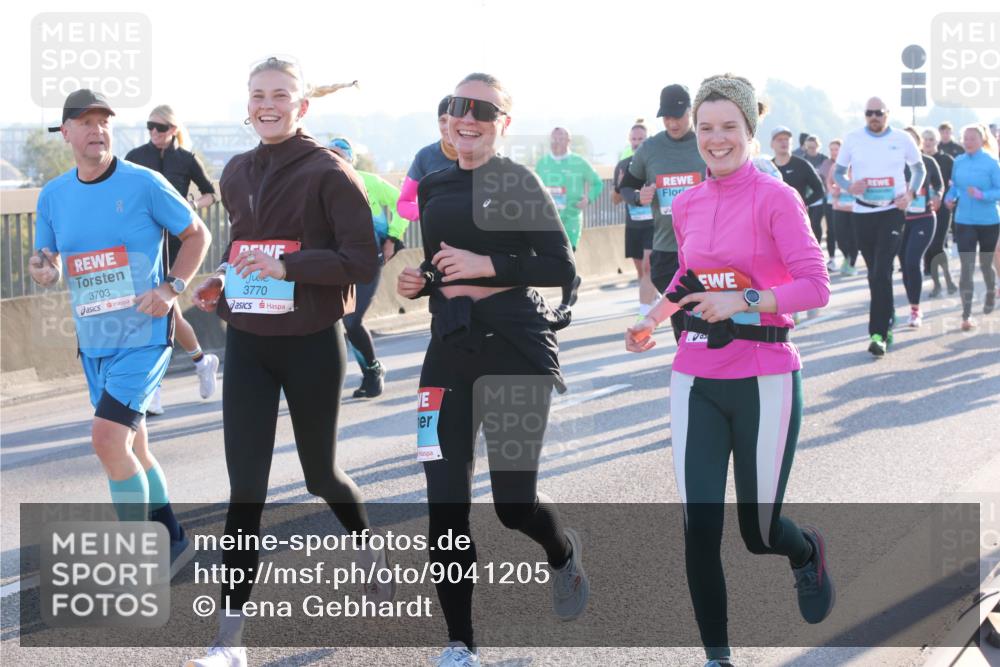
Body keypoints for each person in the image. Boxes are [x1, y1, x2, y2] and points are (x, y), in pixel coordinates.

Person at [186, 57, 391, 667]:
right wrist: (223, 277)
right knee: (245, 491)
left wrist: (289, 268)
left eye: (280, 95)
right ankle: (230, 640)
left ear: (302, 107)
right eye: (257, 95)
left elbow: (362, 260)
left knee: (319, 477)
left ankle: (365, 546)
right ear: (247, 105)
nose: (266, 104)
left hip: (309, 341)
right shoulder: (236, 171)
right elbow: (246, 242)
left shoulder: (331, 173)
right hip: (248, 341)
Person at [625, 74, 833, 667]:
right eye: (707, 128)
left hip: (765, 376)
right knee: (698, 528)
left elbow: (815, 287)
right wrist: (651, 317)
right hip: (695, 375)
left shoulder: (776, 197)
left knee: (759, 530)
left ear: (749, 131)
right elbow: (689, 277)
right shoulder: (688, 202)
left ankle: (805, 553)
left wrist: (745, 302)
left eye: (729, 129)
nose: (717, 140)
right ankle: (718, 656)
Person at [396, 72, 589, 667]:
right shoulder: (431, 187)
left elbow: (561, 267)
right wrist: (421, 280)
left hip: (514, 354)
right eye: (457, 106)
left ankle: (560, 552)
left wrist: (486, 262)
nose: (467, 117)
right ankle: (461, 644)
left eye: (483, 109)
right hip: (448, 354)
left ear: (504, 123)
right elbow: (441, 267)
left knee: (512, 505)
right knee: (445, 506)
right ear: (446, 118)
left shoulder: (519, 181)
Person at [29, 89, 210, 577]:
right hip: (94, 341)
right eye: (85, 122)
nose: (97, 129)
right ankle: (174, 540)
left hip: (144, 335)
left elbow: (197, 233)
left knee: (108, 440)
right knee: (135, 448)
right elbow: (48, 260)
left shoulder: (144, 183)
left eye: (103, 120)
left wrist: (172, 288)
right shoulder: (53, 195)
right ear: (65, 132)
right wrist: (44, 268)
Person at [125, 104, 220, 413]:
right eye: (150, 126)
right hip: (144, 245)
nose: (154, 133)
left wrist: (192, 203)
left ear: (174, 129)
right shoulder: (136, 157)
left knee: (161, 311)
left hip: (179, 245)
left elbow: (211, 193)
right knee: (164, 313)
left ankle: (158, 387)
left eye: (161, 127)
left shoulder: (186, 160)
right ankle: (201, 362)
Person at [834, 97, 925, 356]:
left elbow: (918, 169)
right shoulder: (852, 139)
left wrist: (910, 194)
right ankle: (888, 315)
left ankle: (878, 334)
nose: (874, 117)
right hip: (863, 212)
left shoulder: (901, 139)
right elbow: (839, 173)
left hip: (892, 211)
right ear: (865, 116)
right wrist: (849, 186)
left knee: (881, 272)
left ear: (888, 114)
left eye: (879, 113)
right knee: (874, 272)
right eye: (869, 113)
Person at [328, 136, 408, 398]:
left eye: (340, 154)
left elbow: (406, 203)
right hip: (333, 261)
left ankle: (373, 370)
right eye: (330, 153)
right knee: (329, 322)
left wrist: (393, 239)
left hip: (366, 259)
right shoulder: (320, 184)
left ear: (351, 159)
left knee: (351, 320)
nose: (335, 158)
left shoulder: (368, 181)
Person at [619, 84, 707, 294]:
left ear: (691, 112)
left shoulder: (707, 142)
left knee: (704, 319)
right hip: (666, 250)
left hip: (706, 248)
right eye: (666, 117)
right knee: (680, 319)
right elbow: (626, 187)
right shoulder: (650, 148)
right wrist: (639, 197)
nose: (672, 123)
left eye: (677, 116)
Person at [534, 126, 604, 307]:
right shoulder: (542, 164)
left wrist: (588, 199)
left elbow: (597, 183)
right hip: (549, 218)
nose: (556, 142)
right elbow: (533, 189)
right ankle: (572, 282)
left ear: (568, 141)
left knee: (567, 256)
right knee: (555, 259)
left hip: (572, 218)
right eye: (554, 139)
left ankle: (565, 302)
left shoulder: (579, 162)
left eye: (560, 139)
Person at [944, 123, 1000, 331]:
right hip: (964, 220)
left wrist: (982, 195)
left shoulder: (992, 162)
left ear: (982, 140)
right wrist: (949, 198)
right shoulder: (958, 162)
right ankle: (966, 315)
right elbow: (956, 187)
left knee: (986, 264)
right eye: (965, 138)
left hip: (989, 221)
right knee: (966, 267)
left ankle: (990, 290)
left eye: (972, 139)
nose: (968, 142)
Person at [900, 127, 943, 328]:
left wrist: (938, 195)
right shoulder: (894, 164)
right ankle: (912, 303)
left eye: (912, 139)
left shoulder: (927, 162)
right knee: (905, 266)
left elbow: (939, 184)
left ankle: (915, 310)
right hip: (899, 220)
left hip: (924, 217)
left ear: (916, 142)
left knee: (912, 260)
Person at [613, 119, 656, 315]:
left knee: (648, 266)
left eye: (641, 138)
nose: (637, 142)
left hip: (652, 224)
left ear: (648, 140)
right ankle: (651, 297)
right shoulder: (623, 165)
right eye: (634, 139)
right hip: (633, 225)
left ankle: (646, 310)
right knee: (640, 270)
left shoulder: (655, 163)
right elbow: (615, 199)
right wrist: (621, 186)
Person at [397, 95, 457, 223]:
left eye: (453, 120)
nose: (447, 127)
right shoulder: (425, 157)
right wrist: (427, 211)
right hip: (436, 239)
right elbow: (403, 203)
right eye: (442, 120)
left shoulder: (481, 155)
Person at [771, 128, 826, 255]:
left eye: (786, 139)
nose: (783, 142)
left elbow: (819, 190)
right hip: (773, 221)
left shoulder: (802, 165)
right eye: (779, 140)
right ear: (772, 144)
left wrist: (802, 203)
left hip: (798, 221)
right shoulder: (768, 167)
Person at [922, 127, 959, 297]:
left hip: (943, 208)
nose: (928, 143)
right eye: (925, 139)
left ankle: (946, 280)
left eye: (931, 139)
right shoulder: (918, 161)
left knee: (937, 244)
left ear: (937, 141)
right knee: (928, 247)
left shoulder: (946, 160)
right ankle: (940, 283)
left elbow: (956, 183)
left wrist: (951, 199)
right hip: (923, 208)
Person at [803, 136, 838, 270]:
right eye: (809, 147)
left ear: (818, 146)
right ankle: (812, 255)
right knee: (809, 226)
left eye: (814, 147)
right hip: (806, 198)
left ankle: (823, 255)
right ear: (806, 147)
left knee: (817, 224)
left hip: (821, 197)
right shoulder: (803, 160)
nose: (812, 149)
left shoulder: (823, 159)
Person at [825, 140, 859, 275]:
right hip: (839, 207)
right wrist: (832, 191)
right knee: (840, 237)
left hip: (855, 208)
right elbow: (829, 182)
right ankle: (846, 256)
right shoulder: (836, 167)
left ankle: (851, 264)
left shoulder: (858, 166)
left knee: (854, 238)